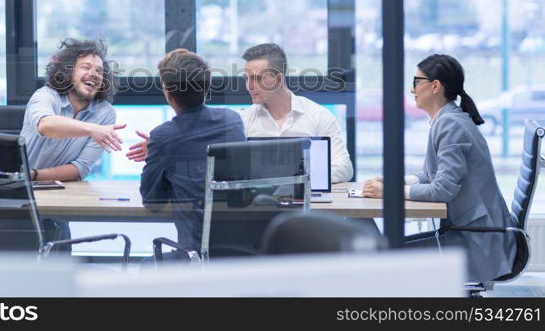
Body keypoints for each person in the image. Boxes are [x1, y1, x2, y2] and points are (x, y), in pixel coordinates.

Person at [362, 54, 516, 283]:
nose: (412, 89)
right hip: (467, 233)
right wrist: (397, 183)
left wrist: (390, 193)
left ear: (435, 86)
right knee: (383, 253)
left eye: (416, 82)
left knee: (385, 259)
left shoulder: (451, 124)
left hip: (475, 243)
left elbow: (442, 189)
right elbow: (433, 175)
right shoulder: (447, 119)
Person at [138, 49, 246, 256]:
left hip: (195, 255)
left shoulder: (163, 137)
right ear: (206, 88)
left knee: (146, 267)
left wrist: (159, 157)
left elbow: (152, 201)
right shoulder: (232, 121)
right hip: (242, 253)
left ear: (168, 94)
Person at [20, 38, 125, 244]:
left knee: (58, 259)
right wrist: (91, 129)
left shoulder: (105, 113)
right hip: (21, 195)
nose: (94, 74)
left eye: (99, 71)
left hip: (59, 197)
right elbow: (46, 126)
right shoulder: (45, 96)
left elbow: (80, 168)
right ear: (67, 72)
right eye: (86, 67)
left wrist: (34, 175)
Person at [239, 43, 353, 183]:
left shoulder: (318, 115)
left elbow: (345, 168)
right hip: (259, 202)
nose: (249, 86)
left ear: (279, 79)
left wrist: (297, 179)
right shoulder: (243, 119)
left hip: (310, 200)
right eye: (246, 78)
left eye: (257, 78)